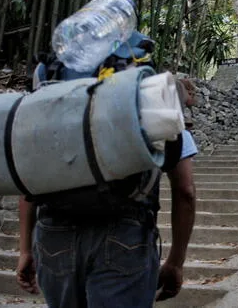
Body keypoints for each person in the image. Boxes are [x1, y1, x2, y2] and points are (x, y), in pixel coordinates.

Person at [16, 82, 197, 307]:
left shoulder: (54, 105)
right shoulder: (152, 107)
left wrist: (25, 249)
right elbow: (185, 191)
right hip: (124, 234)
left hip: (54, 235)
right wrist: (176, 262)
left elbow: (29, 183)